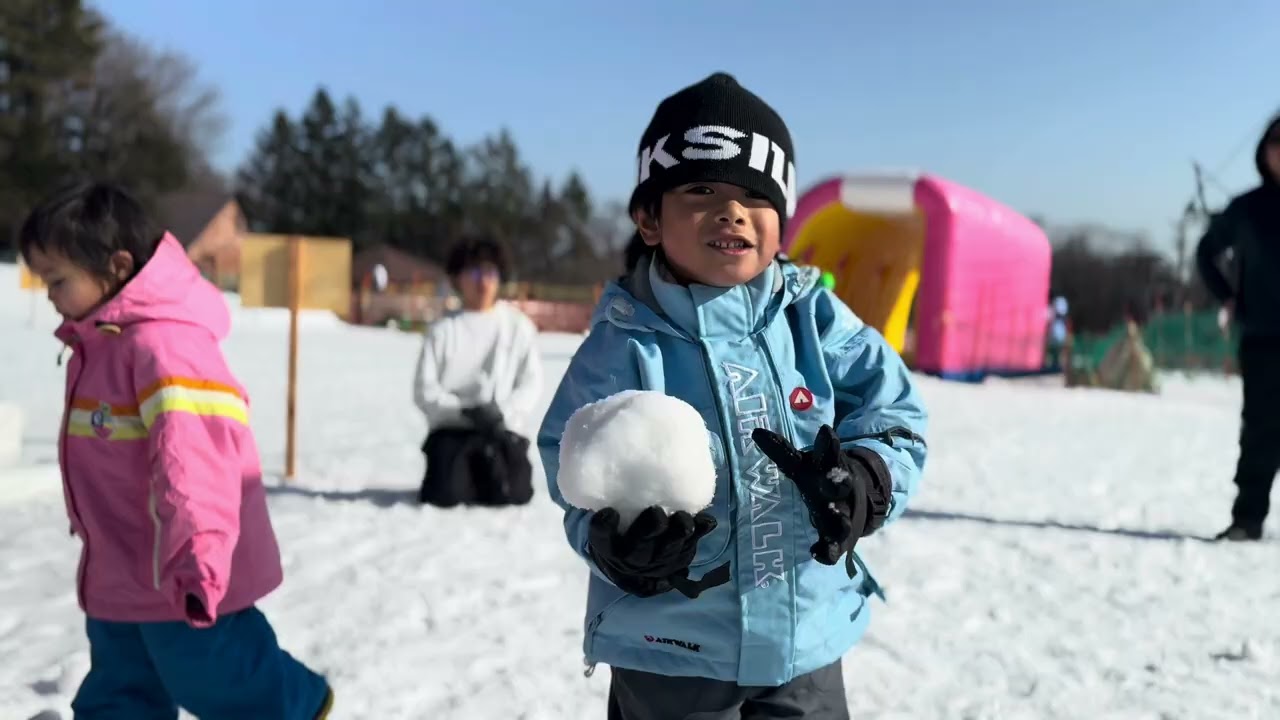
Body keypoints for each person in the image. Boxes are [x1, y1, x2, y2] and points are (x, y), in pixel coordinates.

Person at [539, 72, 929, 719]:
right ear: (648, 218)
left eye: (756, 195)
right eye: (702, 190)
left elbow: (896, 411)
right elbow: (570, 461)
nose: (732, 211)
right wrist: (614, 543)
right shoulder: (625, 340)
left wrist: (867, 480)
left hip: (805, 641)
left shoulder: (815, 317)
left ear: (784, 219)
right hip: (669, 650)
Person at [19, 181, 333, 719]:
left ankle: (293, 703)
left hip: (181, 570)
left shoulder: (164, 346)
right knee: (120, 682)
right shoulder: (98, 344)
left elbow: (197, 464)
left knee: (210, 672)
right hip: (118, 565)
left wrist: (199, 562)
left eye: (57, 279)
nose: (48, 294)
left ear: (116, 266)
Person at [1196, 112, 1280, 542]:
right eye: (1277, 143)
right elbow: (1206, 252)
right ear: (1264, 151)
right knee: (1262, 429)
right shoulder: (1247, 209)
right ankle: (1247, 519)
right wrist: (1228, 294)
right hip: (1264, 337)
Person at [413, 235, 543, 507]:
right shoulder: (443, 330)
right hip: (453, 430)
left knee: (513, 492)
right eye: (473, 272)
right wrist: (461, 411)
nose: (482, 281)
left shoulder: (518, 327)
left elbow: (531, 383)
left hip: (501, 430)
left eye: (490, 272)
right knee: (444, 493)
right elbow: (424, 390)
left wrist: (502, 413)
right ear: (458, 278)